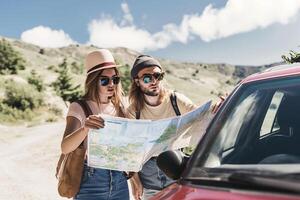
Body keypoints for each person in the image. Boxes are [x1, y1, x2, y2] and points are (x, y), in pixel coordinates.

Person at [127, 55, 199, 200]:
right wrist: (135, 181)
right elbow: (130, 150)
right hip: (149, 180)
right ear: (137, 82)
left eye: (158, 76)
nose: (154, 81)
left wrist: (220, 108)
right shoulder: (133, 111)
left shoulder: (176, 100)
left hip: (176, 170)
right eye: (147, 78)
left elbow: (202, 117)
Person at [60, 49, 129, 200]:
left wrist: (136, 182)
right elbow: (65, 147)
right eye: (104, 80)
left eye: (115, 79)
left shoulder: (121, 108)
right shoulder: (79, 107)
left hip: (120, 180)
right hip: (91, 181)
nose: (111, 84)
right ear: (93, 80)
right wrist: (85, 128)